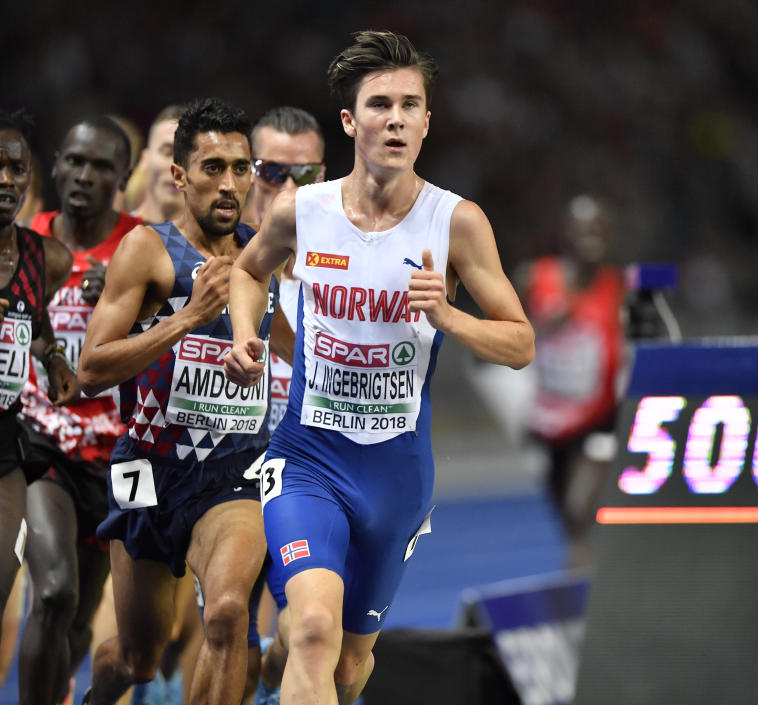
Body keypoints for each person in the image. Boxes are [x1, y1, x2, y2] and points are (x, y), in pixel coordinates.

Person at [224, 30, 535, 704]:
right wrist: (246, 332)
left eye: (409, 105)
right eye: (379, 104)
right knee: (311, 627)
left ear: (428, 121)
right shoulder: (303, 210)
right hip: (308, 456)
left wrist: (449, 316)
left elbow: (520, 343)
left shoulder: (457, 223)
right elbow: (245, 273)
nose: (394, 118)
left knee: (346, 664)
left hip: (396, 471)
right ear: (350, 120)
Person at [76, 97, 292, 705]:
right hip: (148, 470)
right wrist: (189, 318)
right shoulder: (147, 250)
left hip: (233, 475)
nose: (230, 184)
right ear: (178, 175)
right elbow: (92, 371)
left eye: (241, 168)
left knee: (226, 613)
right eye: (213, 168)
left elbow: (293, 349)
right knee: (138, 661)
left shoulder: (263, 255)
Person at [16, 115, 141, 705]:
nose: (83, 176)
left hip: (123, 457)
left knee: (87, 621)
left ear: (124, 176)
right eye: (73, 161)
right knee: (52, 593)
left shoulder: (144, 247)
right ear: (57, 164)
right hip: (40, 442)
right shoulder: (22, 240)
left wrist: (132, 302)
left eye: (100, 166)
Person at [241, 106, 326, 705]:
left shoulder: (349, 268)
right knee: (210, 636)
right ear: (245, 174)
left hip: (307, 474)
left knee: (307, 633)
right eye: (272, 172)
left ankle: (276, 680)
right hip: (218, 474)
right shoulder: (207, 260)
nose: (290, 189)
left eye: (306, 173)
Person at [0, 108, 78, 645]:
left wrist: (53, 360)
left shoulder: (46, 258)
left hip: (5, 443)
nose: (6, 181)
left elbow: (36, 323)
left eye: (17, 168)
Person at [517, 193, 625, 569]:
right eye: (581, 229)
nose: (589, 237)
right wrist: (544, 327)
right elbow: (501, 333)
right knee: (568, 520)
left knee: (580, 514)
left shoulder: (619, 287)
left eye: (597, 229)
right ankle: (589, 580)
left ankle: (586, 597)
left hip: (600, 420)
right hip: (549, 424)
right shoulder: (535, 278)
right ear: (565, 234)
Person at [132, 105, 185, 226]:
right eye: (167, 152)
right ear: (144, 159)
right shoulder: (113, 238)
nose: (177, 167)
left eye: (188, 156)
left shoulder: (214, 243)